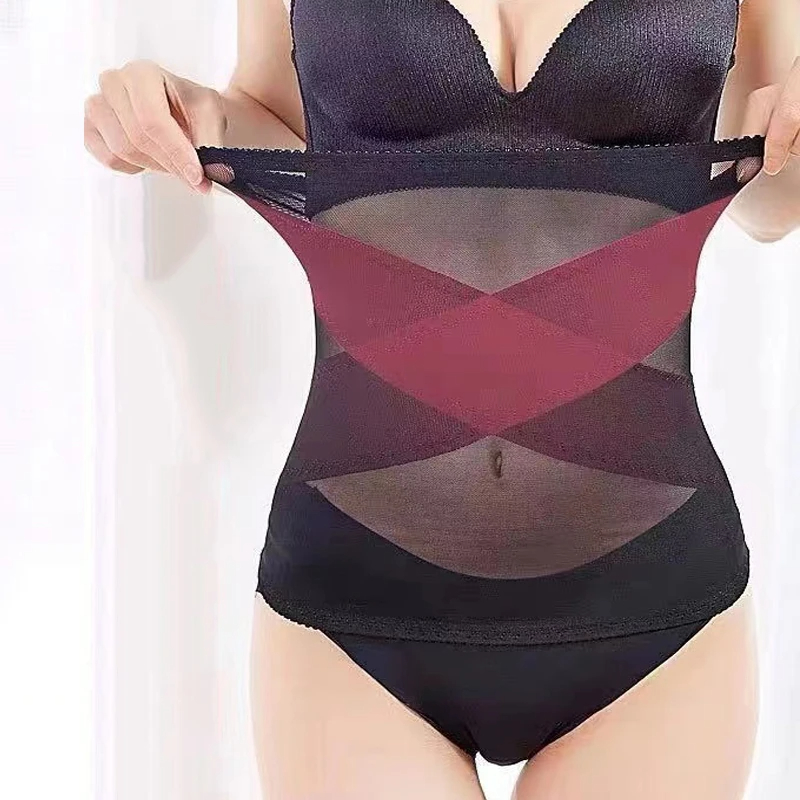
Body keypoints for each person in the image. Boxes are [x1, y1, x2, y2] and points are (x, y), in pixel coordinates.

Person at [84, 2, 800, 798]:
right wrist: (190, 116)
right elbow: (277, 118)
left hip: (657, 607)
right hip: (353, 603)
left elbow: (774, 197)